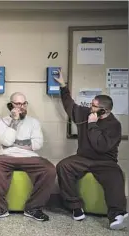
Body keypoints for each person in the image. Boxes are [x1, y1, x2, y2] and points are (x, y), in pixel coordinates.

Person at [54, 71, 128, 230]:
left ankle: (117, 215)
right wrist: (63, 86)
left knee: (116, 176)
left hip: (105, 161)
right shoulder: (85, 113)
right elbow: (69, 105)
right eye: (91, 104)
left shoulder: (114, 125)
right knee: (63, 166)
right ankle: (75, 207)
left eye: (94, 106)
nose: (90, 107)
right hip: (83, 158)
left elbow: (100, 146)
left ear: (104, 110)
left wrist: (92, 124)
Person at [0, 92, 56, 222]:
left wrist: (15, 144)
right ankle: (0, 208)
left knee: (49, 169)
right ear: (11, 105)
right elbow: (6, 142)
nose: (21, 107)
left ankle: (33, 208)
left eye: (24, 103)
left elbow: (37, 144)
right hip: (6, 156)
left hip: (30, 157)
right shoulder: (2, 122)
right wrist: (15, 121)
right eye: (18, 104)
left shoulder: (34, 122)